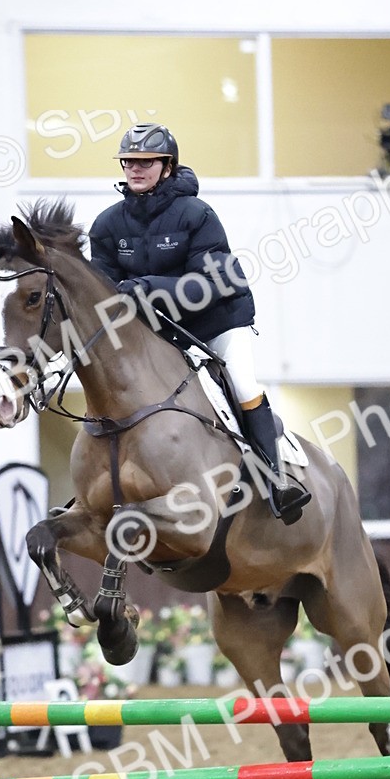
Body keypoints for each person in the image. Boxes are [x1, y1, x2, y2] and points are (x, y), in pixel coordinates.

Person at [89, 123, 310, 525]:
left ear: (167, 167)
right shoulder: (107, 225)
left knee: (242, 383)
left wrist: (145, 287)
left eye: (145, 163)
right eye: (129, 163)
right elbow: (104, 292)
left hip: (217, 322)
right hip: (161, 333)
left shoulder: (197, 214)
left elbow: (211, 283)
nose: (135, 170)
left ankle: (277, 480)